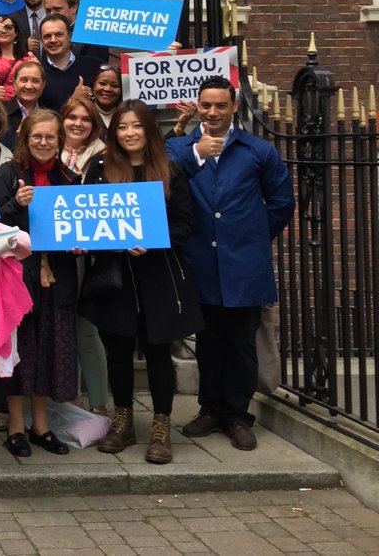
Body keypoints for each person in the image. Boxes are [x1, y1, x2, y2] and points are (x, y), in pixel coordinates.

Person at [165, 76, 294, 450]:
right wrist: (197, 154)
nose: (213, 112)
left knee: (241, 342)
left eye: (221, 105)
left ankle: (237, 414)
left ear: (234, 106)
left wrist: (252, 235)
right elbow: (162, 181)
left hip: (243, 265)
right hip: (200, 261)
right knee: (207, 341)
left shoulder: (258, 150)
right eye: (206, 105)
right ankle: (210, 408)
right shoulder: (180, 148)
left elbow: (282, 201)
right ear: (197, 106)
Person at [81, 101, 203, 464]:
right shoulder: (100, 168)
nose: (129, 133)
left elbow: (185, 223)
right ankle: (122, 419)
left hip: (157, 276)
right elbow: (85, 216)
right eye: (122, 127)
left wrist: (154, 241)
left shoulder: (170, 169)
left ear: (148, 130)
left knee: (158, 353)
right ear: (113, 132)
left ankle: (161, 425)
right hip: (114, 278)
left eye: (136, 126)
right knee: (117, 351)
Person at [0, 109, 80, 457]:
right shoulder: (8, 174)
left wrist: (79, 244)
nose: (43, 143)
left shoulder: (70, 179)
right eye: (36, 137)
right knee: (19, 351)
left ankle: (40, 426)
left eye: (50, 137)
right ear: (25, 139)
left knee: (48, 350)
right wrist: (16, 203)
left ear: (60, 140)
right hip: (17, 280)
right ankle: (15, 426)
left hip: (56, 279)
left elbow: (79, 227)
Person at [57, 94, 110, 417]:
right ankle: (66, 398)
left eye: (85, 119)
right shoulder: (50, 153)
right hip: (54, 254)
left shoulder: (104, 157)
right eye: (72, 117)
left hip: (89, 256)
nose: (78, 124)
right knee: (59, 326)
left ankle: (99, 402)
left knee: (86, 328)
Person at [37, 14, 102, 112]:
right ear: (42, 41)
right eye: (47, 36)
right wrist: (74, 100)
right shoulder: (37, 74)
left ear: (70, 36)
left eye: (59, 34)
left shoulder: (94, 66)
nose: (53, 40)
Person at [0, 14, 32, 99]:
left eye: (8, 27)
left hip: (22, 105)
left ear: (15, 33)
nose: (3, 31)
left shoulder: (27, 58)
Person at [1, 60, 46, 148]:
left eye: (35, 81)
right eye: (24, 80)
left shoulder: (49, 116)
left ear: (43, 85)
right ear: (14, 83)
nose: (29, 86)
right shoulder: (0, 112)